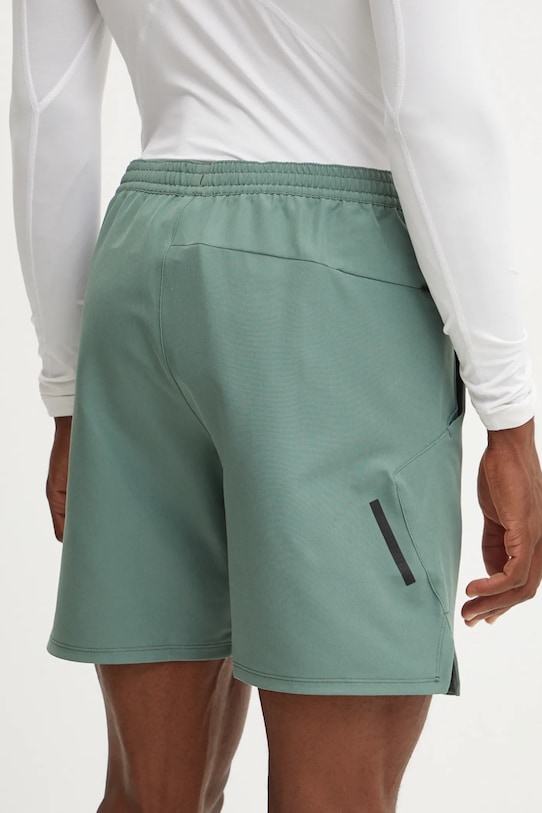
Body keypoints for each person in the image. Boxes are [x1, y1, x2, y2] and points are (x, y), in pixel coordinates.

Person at [10, 0, 542, 811]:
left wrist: (67, 392)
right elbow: (434, 107)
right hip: (331, 288)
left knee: (149, 795)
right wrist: (510, 415)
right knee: (335, 795)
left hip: (141, 268)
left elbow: (46, 111)